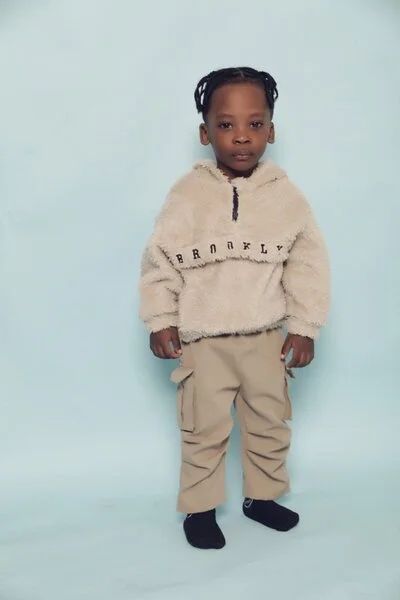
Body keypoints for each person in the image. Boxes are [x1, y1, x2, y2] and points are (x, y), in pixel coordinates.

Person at [139, 67, 330, 550]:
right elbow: (159, 261)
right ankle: (200, 508)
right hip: (204, 342)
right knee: (202, 429)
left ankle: (261, 498)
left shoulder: (286, 196)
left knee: (269, 424)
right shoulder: (186, 195)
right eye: (226, 124)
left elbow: (308, 264)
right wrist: (160, 319)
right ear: (205, 133)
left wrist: (304, 326)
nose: (241, 135)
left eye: (254, 123)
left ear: (271, 130)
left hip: (266, 340)